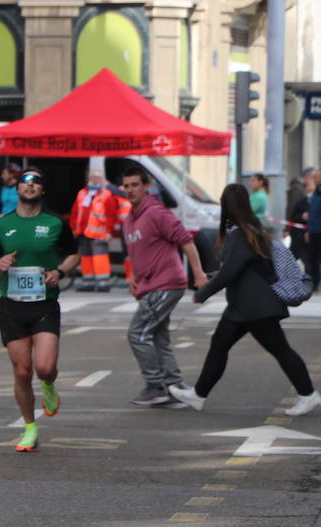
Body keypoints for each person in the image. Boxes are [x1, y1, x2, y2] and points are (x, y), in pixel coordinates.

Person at [169, 183, 320, 416]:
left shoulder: (241, 233)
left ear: (227, 206)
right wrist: (209, 279)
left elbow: (231, 271)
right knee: (220, 346)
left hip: (256, 306)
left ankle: (308, 394)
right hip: (245, 306)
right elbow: (234, 269)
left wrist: (203, 294)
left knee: (280, 350)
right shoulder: (249, 229)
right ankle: (199, 394)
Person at [0, 168, 80, 452]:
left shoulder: (55, 223)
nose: (30, 185)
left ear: (42, 190)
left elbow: (74, 253)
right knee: (22, 372)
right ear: (17, 189)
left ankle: (49, 386)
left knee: (44, 368)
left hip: (44, 304)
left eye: (36, 181)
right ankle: (29, 427)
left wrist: (59, 271)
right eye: (25, 181)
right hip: (11, 307)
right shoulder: (2, 225)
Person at [121, 167, 207, 406]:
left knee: (137, 334)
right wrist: (134, 277)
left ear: (146, 187)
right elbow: (137, 252)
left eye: (135, 185)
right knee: (159, 338)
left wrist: (198, 274)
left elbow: (186, 241)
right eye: (126, 185)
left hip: (166, 284)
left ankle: (156, 386)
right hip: (150, 285)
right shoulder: (129, 219)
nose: (130, 190)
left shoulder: (157, 213)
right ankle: (174, 387)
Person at [69, 160, 126, 292]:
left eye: (97, 178)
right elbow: (75, 212)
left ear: (101, 179)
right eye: (92, 177)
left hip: (99, 233)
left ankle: (102, 282)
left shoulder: (106, 195)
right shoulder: (82, 193)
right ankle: (88, 281)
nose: (95, 180)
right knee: (86, 258)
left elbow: (111, 215)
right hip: (83, 232)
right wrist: (73, 228)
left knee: (100, 258)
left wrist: (109, 232)